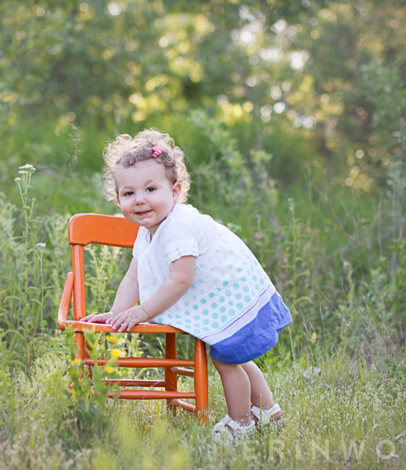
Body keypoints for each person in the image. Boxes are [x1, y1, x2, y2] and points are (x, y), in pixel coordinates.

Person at [83, 129, 293, 441]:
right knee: (232, 354)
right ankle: (268, 412)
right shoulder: (146, 231)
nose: (139, 199)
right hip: (220, 296)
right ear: (118, 199)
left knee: (226, 359)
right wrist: (116, 314)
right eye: (128, 194)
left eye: (151, 189)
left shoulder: (178, 225)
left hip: (234, 293)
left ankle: (241, 423)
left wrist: (140, 312)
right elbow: (133, 277)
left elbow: (181, 279)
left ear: (176, 190)